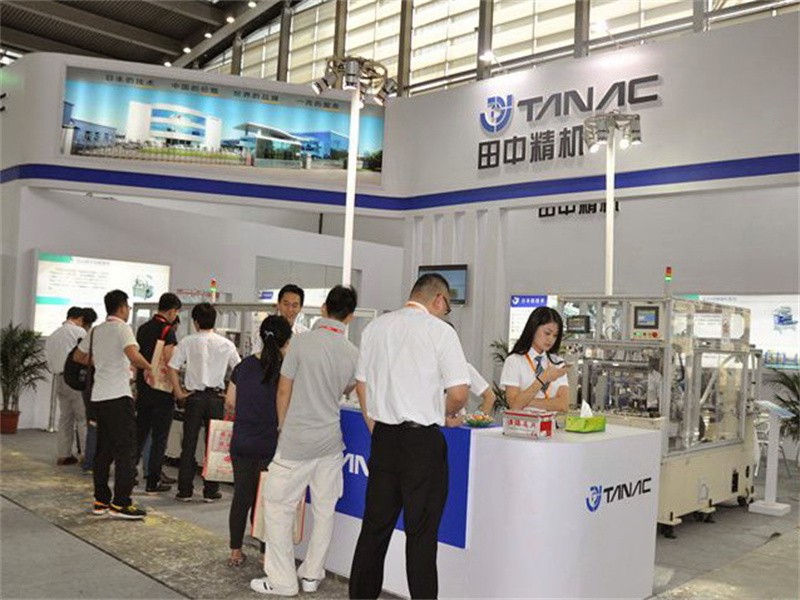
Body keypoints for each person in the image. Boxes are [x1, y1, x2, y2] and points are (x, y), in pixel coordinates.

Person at [348, 274, 469, 600]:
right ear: (439, 299)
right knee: (421, 536)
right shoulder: (440, 331)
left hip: (385, 440)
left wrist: (375, 427)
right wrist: (443, 412)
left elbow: (362, 384)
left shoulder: (375, 328)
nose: (446, 312)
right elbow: (459, 392)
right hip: (422, 444)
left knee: (374, 530)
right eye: (448, 306)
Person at [251, 286, 360, 596]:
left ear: (323, 308)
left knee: (277, 506)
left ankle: (283, 580)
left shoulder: (300, 342)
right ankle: (312, 575)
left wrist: (282, 428)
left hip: (296, 442)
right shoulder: (353, 352)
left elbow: (283, 389)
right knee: (325, 511)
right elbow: (349, 388)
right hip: (330, 443)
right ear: (350, 317)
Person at [74, 290, 151, 520]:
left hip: (99, 398)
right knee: (126, 452)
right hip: (118, 397)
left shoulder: (96, 330)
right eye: (128, 307)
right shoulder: (122, 328)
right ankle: (121, 503)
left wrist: (102, 362)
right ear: (122, 307)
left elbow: (78, 357)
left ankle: (101, 501)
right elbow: (133, 355)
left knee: (103, 451)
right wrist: (150, 368)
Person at [226, 315, 292, 569]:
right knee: (267, 501)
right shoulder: (286, 371)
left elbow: (230, 402)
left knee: (241, 497)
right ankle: (266, 553)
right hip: (271, 444)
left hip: (242, 441)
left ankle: (235, 551)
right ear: (287, 341)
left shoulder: (243, 366)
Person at [168, 303, 241, 502]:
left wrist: (179, 392)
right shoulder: (226, 344)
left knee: (189, 444)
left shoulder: (187, 341)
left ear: (196, 322)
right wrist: (230, 394)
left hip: (194, 397)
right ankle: (210, 490)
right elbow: (240, 369)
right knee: (214, 446)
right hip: (216, 398)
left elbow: (172, 367)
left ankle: (185, 490)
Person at [135, 292, 182, 494]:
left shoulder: (143, 328)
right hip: (162, 391)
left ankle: (128, 474)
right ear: (172, 311)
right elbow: (171, 363)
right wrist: (178, 390)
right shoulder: (167, 331)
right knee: (159, 438)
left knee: (140, 434)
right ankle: (152, 481)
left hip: (144, 387)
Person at [500, 306, 569, 413]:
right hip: (523, 423)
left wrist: (526, 401)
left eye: (555, 336)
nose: (550, 339)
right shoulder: (514, 361)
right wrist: (543, 378)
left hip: (551, 423)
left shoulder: (557, 363)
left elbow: (563, 405)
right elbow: (514, 405)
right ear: (533, 329)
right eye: (547, 333)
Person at [45, 306, 89, 466]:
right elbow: (85, 354)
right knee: (82, 418)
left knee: (65, 417)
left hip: (59, 378)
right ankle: (86, 455)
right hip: (75, 380)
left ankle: (64, 454)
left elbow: (48, 358)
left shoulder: (53, 335)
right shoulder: (79, 332)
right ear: (80, 319)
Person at [79, 307, 99, 474]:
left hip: (88, 387)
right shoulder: (93, 334)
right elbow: (78, 357)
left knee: (91, 424)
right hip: (97, 387)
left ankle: (88, 461)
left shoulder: (92, 334)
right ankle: (90, 462)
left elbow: (78, 357)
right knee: (94, 426)